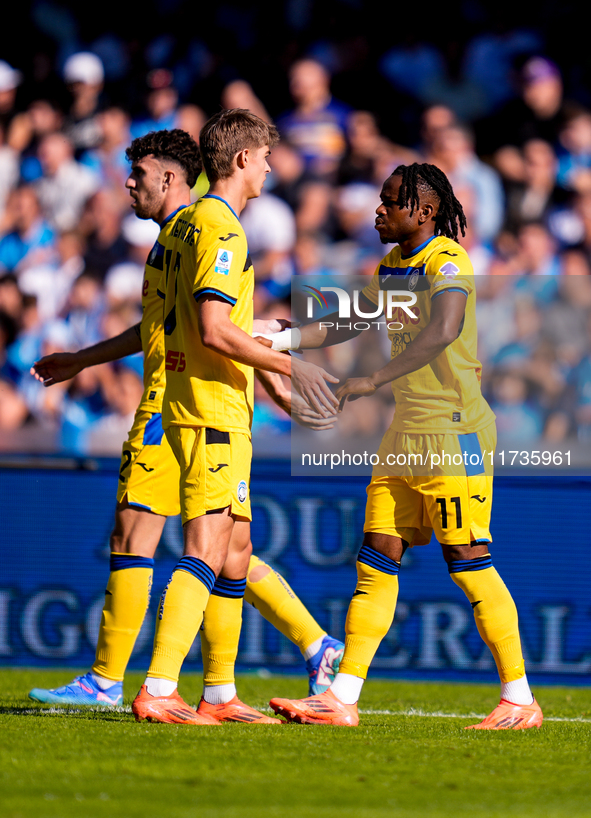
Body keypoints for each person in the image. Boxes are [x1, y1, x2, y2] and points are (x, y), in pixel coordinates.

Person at [28, 127, 343, 720]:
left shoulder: (200, 228)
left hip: (188, 402)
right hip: (189, 402)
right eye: (266, 158)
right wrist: (83, 358)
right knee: (205, 544)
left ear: (170, 175)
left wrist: (275, 372)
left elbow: (216, 326)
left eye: (138, 174)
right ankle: (185, 683)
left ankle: (201, 682)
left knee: (216, 545)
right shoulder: (187, 233)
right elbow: (184, 327)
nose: (128, 184)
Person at [269, 163, 543, 731]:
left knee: (468, 563)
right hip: (407, 433)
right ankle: (341, 698)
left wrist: (372, 380)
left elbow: (443, 330)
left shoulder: (448, 262)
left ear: (424, 211)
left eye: (390, 201)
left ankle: (519, 699)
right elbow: (351, 316)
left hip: (455, 431)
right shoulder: (392, 266)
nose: (378, 210)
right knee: (376, 558)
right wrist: (284, 336)